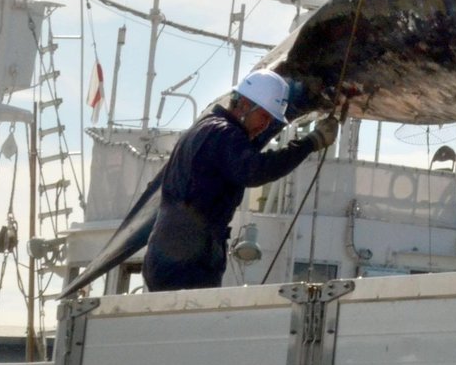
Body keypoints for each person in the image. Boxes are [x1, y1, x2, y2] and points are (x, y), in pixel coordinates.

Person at [143, 69, 337, 291]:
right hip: (187, 260)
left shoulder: (207, 129)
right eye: (264, 116)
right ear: (244, 105)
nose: (265, 126)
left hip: (174, 253)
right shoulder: (222, 134)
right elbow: (255, 170)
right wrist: (311, 142)